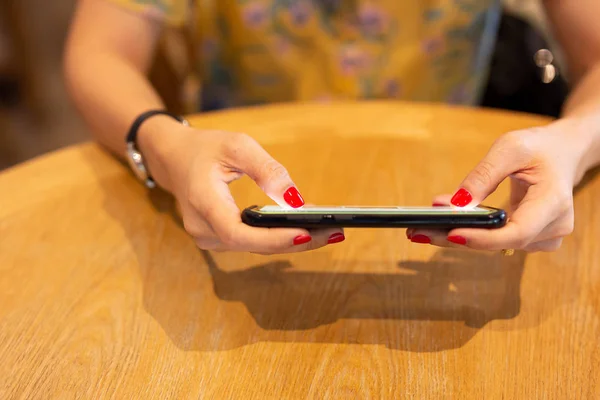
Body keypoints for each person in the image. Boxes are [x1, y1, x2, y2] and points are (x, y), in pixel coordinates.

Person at [64, 0, 600, 254]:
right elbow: (99, 52)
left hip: (445, 164)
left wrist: (572, 141)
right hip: (229, 182)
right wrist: (167, 144)